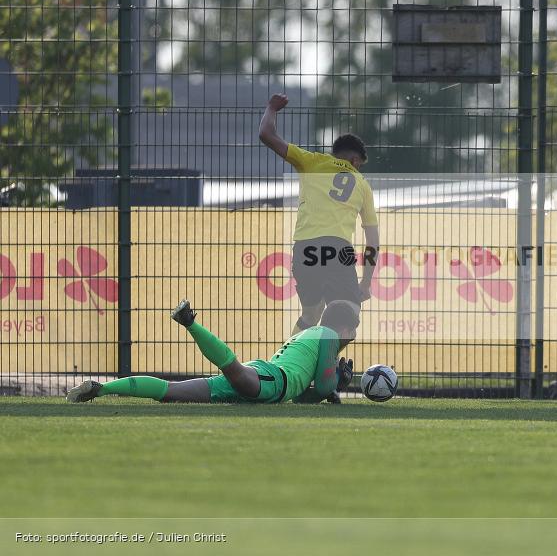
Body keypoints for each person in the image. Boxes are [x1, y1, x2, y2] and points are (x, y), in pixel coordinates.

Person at [66, 299, 356, 405]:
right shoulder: (329, 334)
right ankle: (190, 322)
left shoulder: (311, 334)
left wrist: (326, 391)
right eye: (353, 329)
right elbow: (323, 386)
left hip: (266, 379)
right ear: (343, 326)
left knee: (171, 392)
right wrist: (337, 385)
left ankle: (101, 389)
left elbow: (303, 398)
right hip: (270, 381)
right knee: (234, 370)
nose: (353, 336)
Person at [258, 93, 380, 335]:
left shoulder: (311, 162)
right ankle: (328, 369)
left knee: (309, 315)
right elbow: (373, 242)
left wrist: (271, 108)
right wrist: (365, 283)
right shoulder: (362, 184)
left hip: (304, 250)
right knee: (347, 314)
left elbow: (266, 135)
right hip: (336, 250)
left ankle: (286, 366)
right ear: (355, 160)